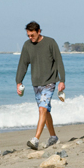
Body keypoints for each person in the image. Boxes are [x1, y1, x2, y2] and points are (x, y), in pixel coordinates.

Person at [16, 21, 66, 150]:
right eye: (28, 35)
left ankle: (35, 139)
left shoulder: (50, 42)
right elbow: (23, 64)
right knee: (45, 111)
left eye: (32, 35)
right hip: (36, 83)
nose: (30, 38)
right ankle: (53, 137)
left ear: (39, 32)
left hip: (50, 81)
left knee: (42, 109)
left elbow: (59, 61)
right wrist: (18, 81)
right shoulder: (27, 45)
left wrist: (62, 80)